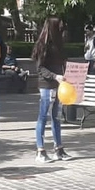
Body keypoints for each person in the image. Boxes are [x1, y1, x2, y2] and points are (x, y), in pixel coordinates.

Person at [31, 17, 71, 163]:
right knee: (43, 116)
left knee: (56, 117)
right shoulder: (43, 45)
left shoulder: (59, 45)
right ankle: (40, 150)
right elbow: (40, 68)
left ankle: (58, 149)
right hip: (46, 85)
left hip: (57, 84)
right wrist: (55, 76)